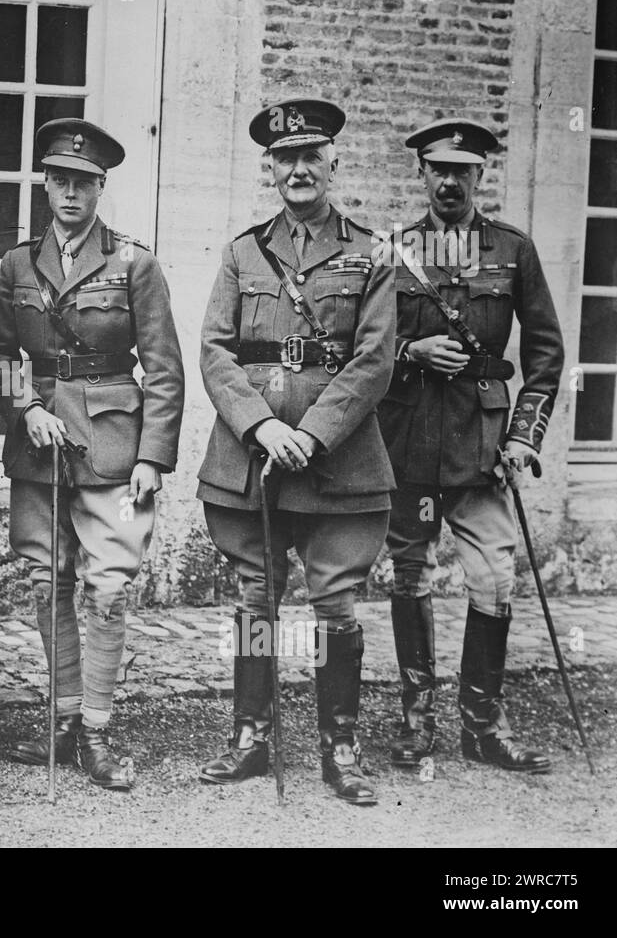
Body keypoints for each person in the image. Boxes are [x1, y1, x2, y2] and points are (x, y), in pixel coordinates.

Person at [196, 98, 394, 804]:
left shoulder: (372, 252)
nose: (299, 168)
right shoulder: (242, 252)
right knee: (256, 598)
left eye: (312, 155)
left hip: (337, 460)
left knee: (336, 603)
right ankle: (251, 734)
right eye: (286, 158)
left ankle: (342, 745)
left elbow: (374, 361)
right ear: (271, 168)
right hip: (253, 458)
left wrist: (310, 432)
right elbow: (215, 353)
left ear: (334, 161)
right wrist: (260, 426)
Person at [0, 119, 184, 791]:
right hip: (39, 448)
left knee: (107, 586)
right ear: (45, 181)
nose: (70, 192)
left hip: (110, 446)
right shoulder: (17, 263)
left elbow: (163, 367)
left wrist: (153, 457)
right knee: (48, 582)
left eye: (84, 181)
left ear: (101, 186)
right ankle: (63, 717)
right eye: (59, 179)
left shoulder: (135, 262)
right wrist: (26, 408)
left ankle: (97, 729)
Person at [377, 118, 564, 773]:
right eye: (439, 169)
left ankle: (482, 724)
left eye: (464, 170)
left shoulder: (513, 251)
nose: (451, 181)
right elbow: (361, 352)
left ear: (481, 175)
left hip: (482, 448)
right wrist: (411, 350)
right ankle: (415, 716)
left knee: (495, 579)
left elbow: (546, 354)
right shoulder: (394, 252)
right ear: (421, 174)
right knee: (409, 575)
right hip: (410, 443)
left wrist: (523, 437)